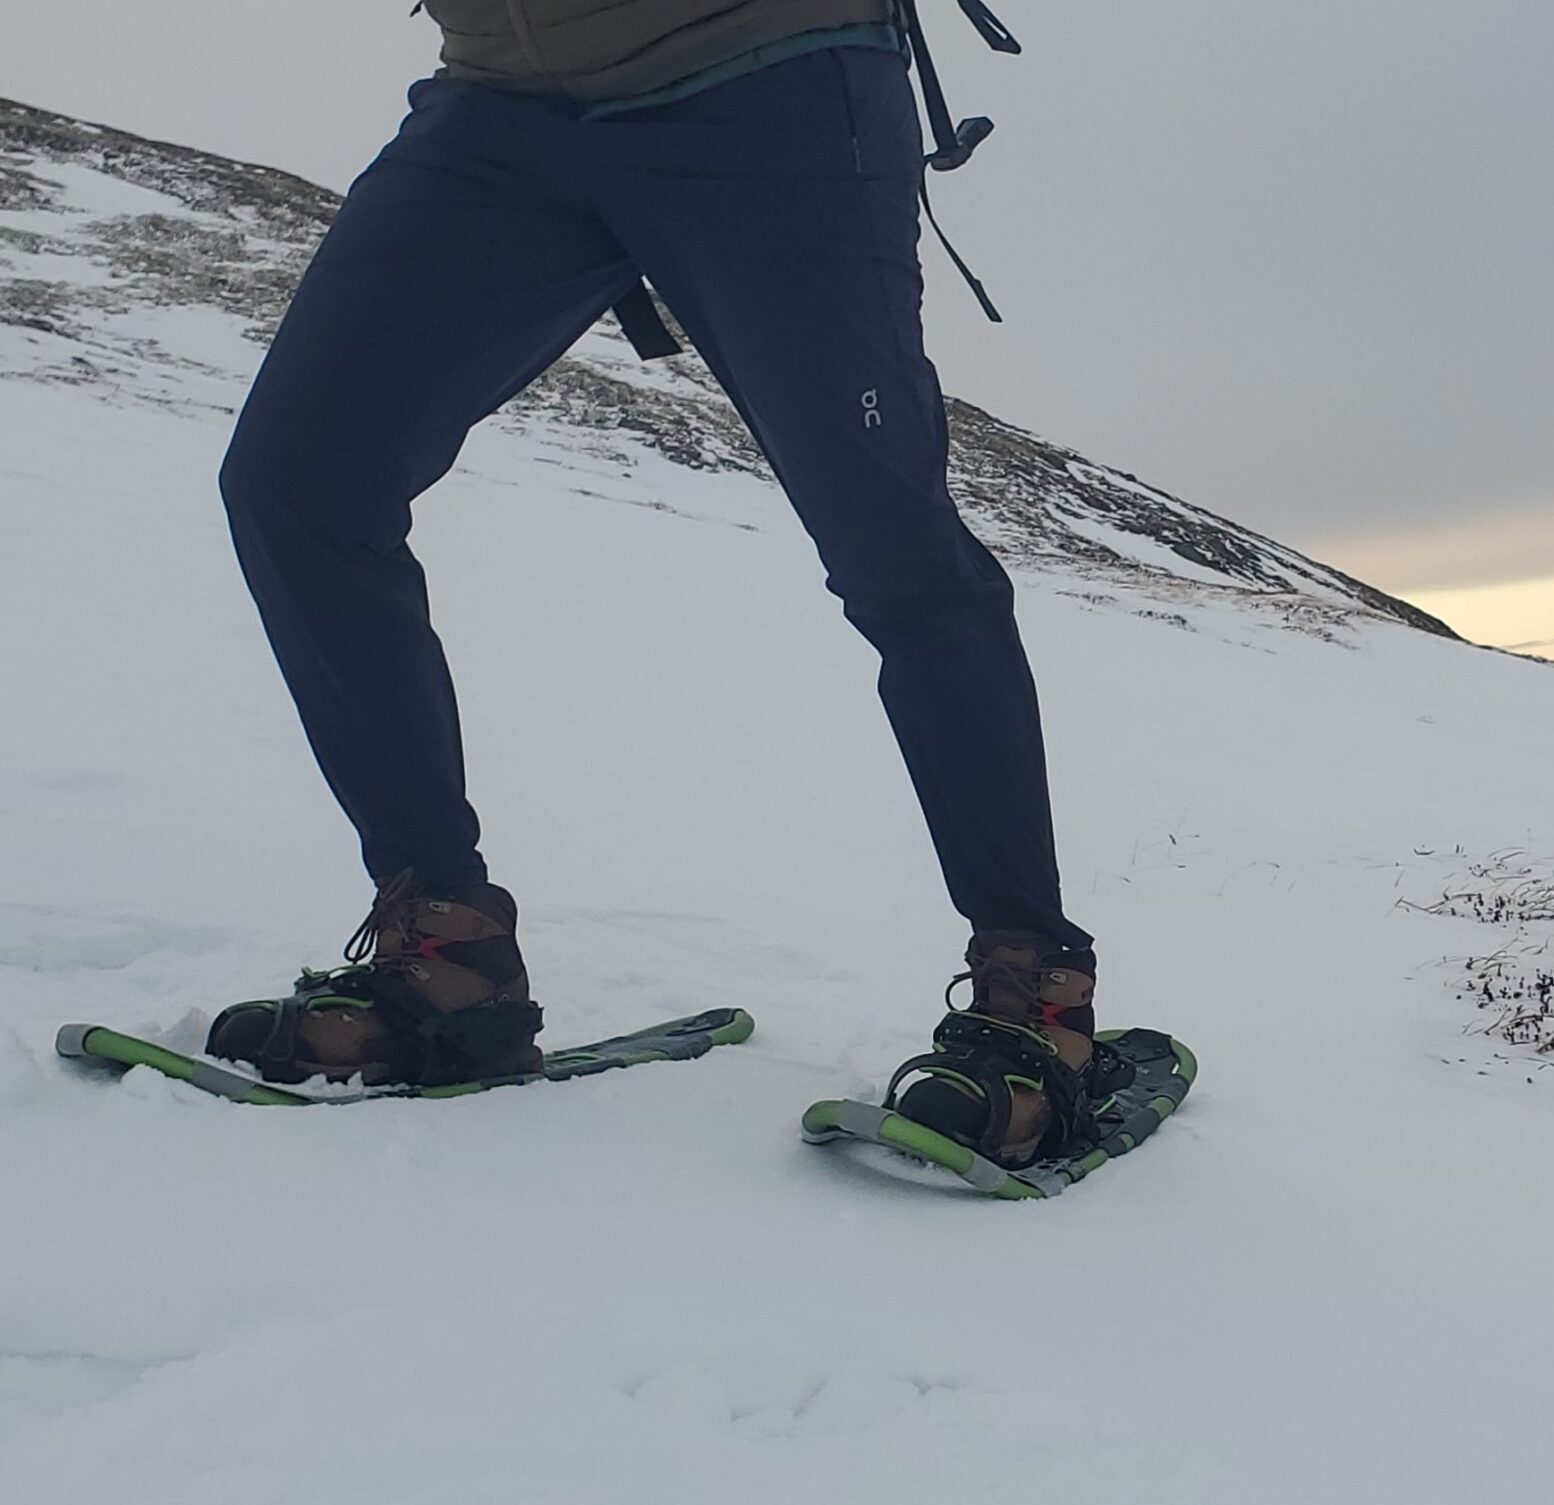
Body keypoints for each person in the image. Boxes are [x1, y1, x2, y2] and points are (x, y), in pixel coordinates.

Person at [207, 0, 1102, 1166]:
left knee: (895, 553)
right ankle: (448, 951)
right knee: (300, 481)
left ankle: (1037, 995)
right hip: (500, 106)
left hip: (768, 80)